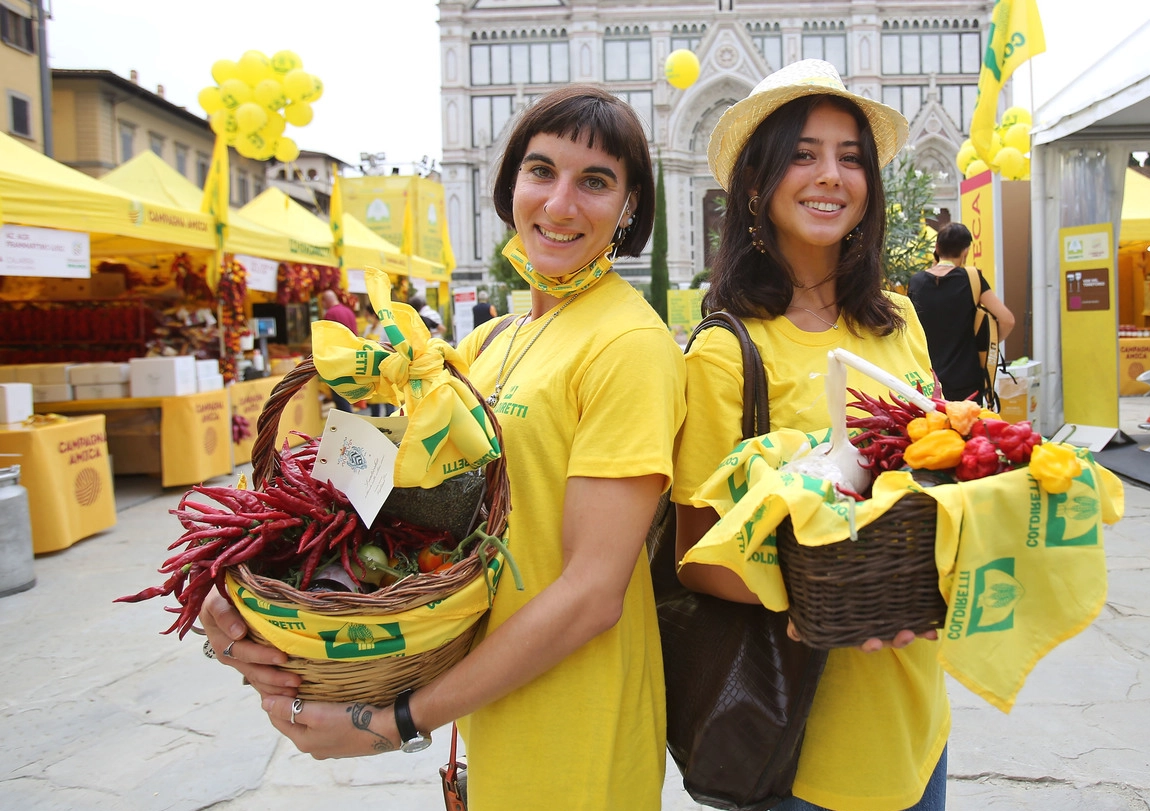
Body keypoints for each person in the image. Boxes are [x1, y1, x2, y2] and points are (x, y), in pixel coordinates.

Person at [198, 86, 685, 809]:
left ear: (630, 207)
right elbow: (381, 507)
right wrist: (244, 592)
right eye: (541, 170)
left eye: (596, 181)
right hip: (485, 698)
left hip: (580, 719)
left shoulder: (630, 344)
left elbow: (591, 595)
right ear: (510, 183)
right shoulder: (486, 343)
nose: (559, 203)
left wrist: (393, 721)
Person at [674, 60, 948, 811]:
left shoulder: (901, 319)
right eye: (803, 153)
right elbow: (695, 553)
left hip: (917, 718)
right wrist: (823, 599)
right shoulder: (726, 351)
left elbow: (941, 468)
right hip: (794, 741)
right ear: (757, 183)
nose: (830, 175)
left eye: (850, 156)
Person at [907, 222, 1015, 403]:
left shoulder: (916, 282)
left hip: (927, 381)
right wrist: (989, 345)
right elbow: (1007, 320)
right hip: (966, 383)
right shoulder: (972, 278)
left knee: (933, 430)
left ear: (937, 247)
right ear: (965, 251)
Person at [318, 289, 357, 413]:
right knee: (346, 392)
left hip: (338, 359)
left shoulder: (330, 314)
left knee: (339, 395)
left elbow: (328, 339)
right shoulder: (348, 311)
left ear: (325, 301)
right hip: (351, 356)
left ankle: (349, 424)